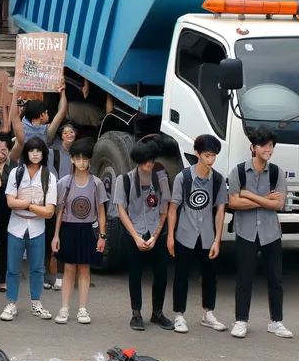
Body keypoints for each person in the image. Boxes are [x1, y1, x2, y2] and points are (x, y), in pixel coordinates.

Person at [227, 127, 292, 339]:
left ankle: (276, 321)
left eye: (271, 145)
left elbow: (279, 204)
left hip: (270, 232)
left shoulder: (277, 173)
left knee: (276, 279)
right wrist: (264, 199)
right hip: (246, 232)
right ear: (253, 147)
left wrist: (249, 195)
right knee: (244, 279)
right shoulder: (237, 171)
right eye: (264, 145)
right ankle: (241, 320)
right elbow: (233, 202)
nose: (269, 149)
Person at [167, 134, 228, 333]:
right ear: (197, 153)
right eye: (207, 155)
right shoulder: (183, 177)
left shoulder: (217, 180)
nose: (210, 160)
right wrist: (170, 236)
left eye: (213, 156)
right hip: (185, 233)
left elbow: (220, 211)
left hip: (207, 235)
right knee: (181, 275)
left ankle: (208, 313)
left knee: (210, 275)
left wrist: (218, 240)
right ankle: (179, 315)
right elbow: (173, 208)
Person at [109, 139, 171, 331]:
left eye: (151, 160)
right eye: (145, 161)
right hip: (133, 232)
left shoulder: (161, 178)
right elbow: (121, 211)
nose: (148, 164)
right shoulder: (124, 180)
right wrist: (136, 237)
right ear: (138, 161)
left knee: (161, 273)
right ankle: (136, 313)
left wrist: (156, 235)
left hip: (155, 232)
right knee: (135, 274)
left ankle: (157, 313)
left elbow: (164, 209)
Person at [51, 138, 106, 324]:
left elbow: (101, 213)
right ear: (72, 160)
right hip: (68, 228)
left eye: (85, 159)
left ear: (90, 160)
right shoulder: (64, 183)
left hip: (87, 229)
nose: (82, 163)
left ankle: (82, 309)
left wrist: (102, 237)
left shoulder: (97, 183)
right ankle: (64, 307)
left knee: (84, 269)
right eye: (78, 159)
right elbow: (59, 211)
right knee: (68, 269)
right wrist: (56, 236)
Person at [1, 136, 56, 320]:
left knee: (38, 268)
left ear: (43, 153)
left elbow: (49, 212)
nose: (35, 154)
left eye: (38, 150)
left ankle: (36, 303)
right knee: (13, 268)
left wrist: (26, 205)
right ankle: (11, 303)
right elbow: (10, 202)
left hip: (37, 228)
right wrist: (33, 204)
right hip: (16, 227)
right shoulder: (17, 173)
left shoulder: (49, 177)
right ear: (26, 153)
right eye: (31, 150)